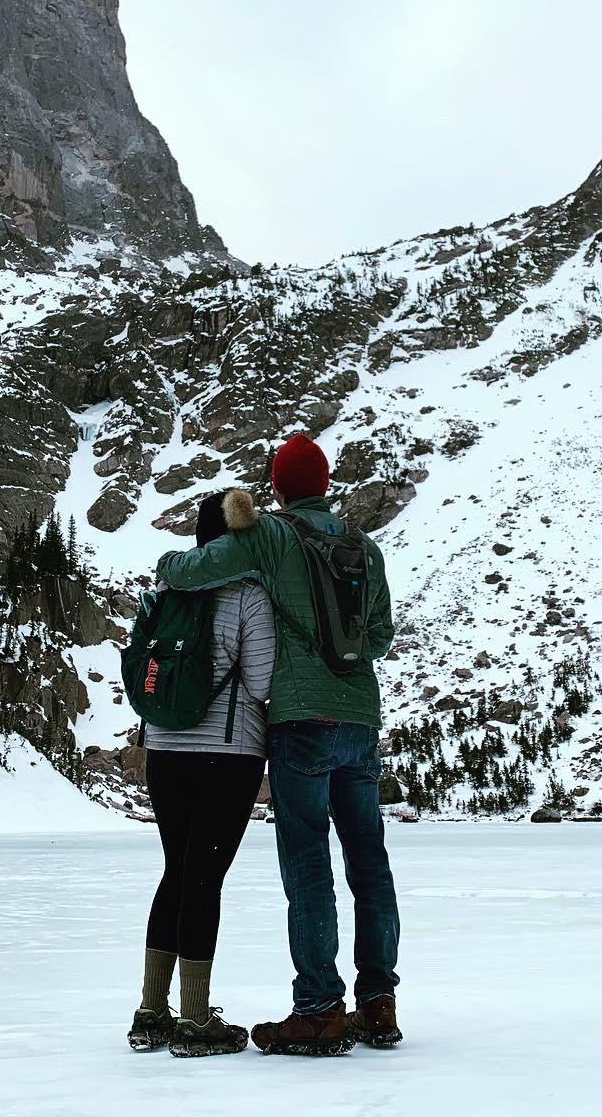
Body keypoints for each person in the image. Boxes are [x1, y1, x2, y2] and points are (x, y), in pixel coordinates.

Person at [155, 433, 402, 1056]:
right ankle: (378, 1003)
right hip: (360, 722)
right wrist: (342, 655)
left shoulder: (271, 535)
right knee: (369, 864)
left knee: (308, 862)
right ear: (325, 484)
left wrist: (169, 570)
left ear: (278, 487)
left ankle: (319, 1009)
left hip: (299, 722)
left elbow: (192, 567)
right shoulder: (363, 548)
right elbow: (380, 638)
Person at [128, 489, 276, 1059]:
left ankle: (150, 1011)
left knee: (175, 870)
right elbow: (261, 682)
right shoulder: (247, 595)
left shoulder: (167, 591)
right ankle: (195, 1018)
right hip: (227, 753)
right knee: (204, 876)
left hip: (164, 749)